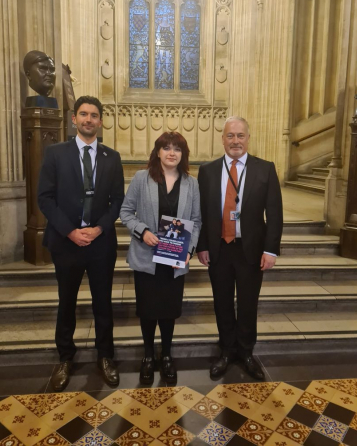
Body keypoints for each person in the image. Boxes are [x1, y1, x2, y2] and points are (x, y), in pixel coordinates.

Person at [38, 95, 124, 391]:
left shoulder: (111, 157)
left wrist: (100, 228)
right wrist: (70, 231)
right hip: (67, 242)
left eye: (94, 115)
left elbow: (118, 201)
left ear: (101, 122)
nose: (89, 119)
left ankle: (105, 356)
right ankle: (65, 357)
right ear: (73, 119)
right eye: (84, 114)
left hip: (100, 244)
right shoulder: (55, 153)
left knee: (103, 303)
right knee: (67, 302)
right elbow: (45, 198)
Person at [197, 116, 283, 380]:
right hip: (219, 248)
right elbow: (201, 212)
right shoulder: (208, 170)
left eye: (240, 135)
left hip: (251, 250)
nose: (235, 141)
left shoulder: (265, 169)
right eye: (230, 136)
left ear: (248, 138)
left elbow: (275, 213)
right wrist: (202, 245)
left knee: (248, 304)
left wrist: (271, 250)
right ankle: (226, 350)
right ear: (223, 139)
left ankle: (246, 352)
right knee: (222, 303)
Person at [120, 132, 201, 384]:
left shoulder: (191, 183)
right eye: (166, 148)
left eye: (177, 149)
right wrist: (142, 231)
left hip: (175, 257)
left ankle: (166, 355)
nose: (171, 153)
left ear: (183, 154)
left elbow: (197, 221)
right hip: (147, 256)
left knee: (168, 311)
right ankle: (147, 355)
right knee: (147, 310)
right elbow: (126, 212)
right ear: (158, 152)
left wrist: (189, 249)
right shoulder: (141, 179)